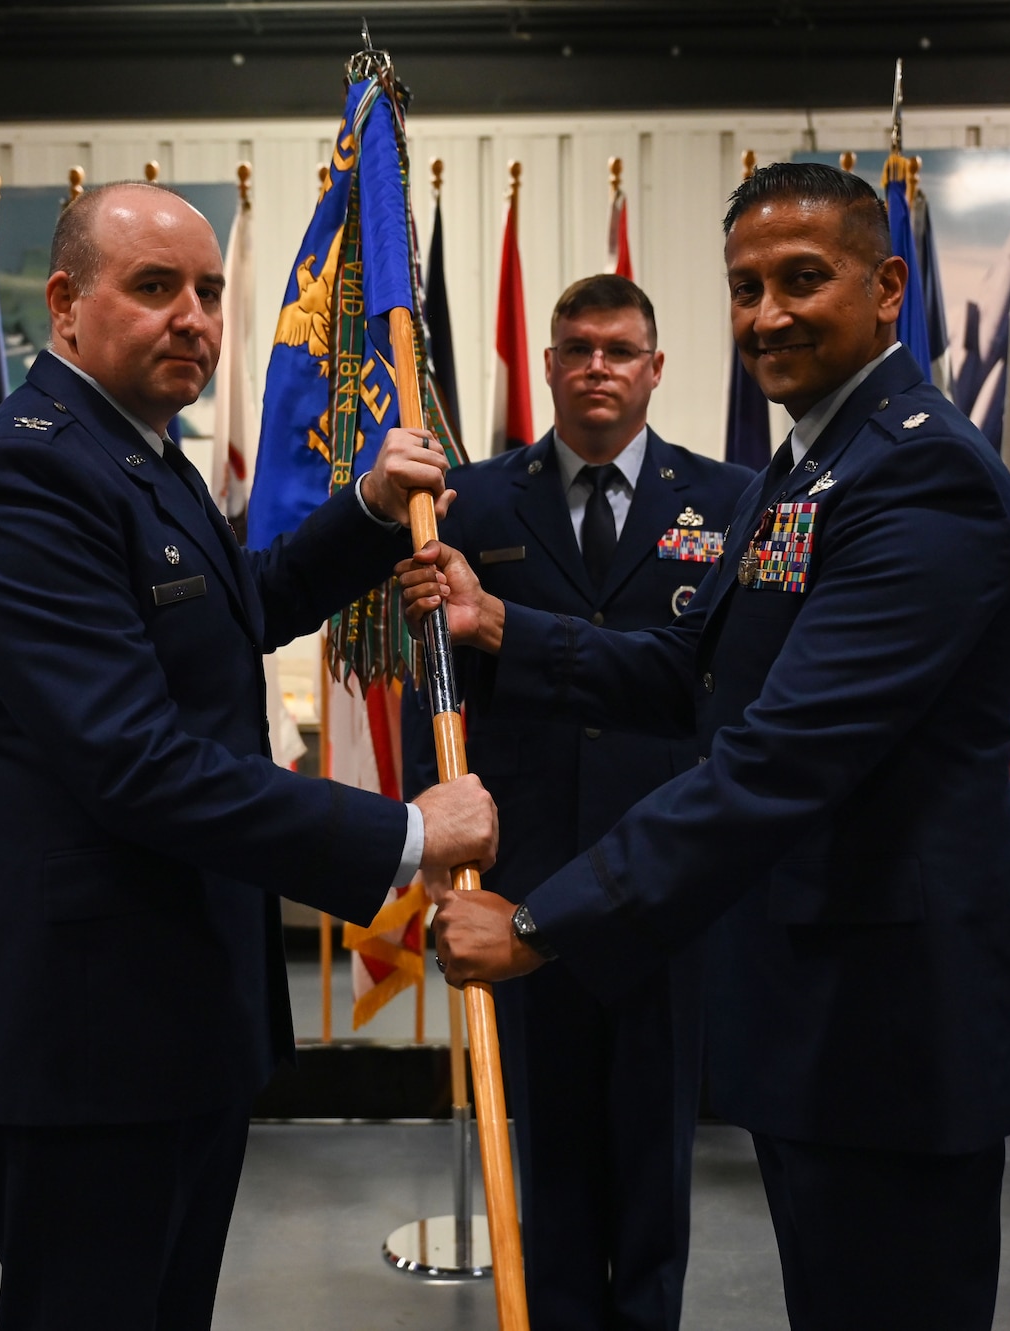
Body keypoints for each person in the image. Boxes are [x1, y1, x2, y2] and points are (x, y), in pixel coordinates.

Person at [405, 162, 1010, 1330]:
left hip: (897, 1020)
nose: (766, 314)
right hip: (818, 1003)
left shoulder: (916, 477)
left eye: (802, 279)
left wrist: (537, 922)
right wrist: (502, 623)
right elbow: (703, 673)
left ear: (887, 287)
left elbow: (777, 756)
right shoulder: (811, 460)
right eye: (746, 285)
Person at [0, 181, 498, 1331]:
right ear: (64, 305)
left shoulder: (136, 453)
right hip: (88, 1026)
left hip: (173, 1005)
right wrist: (405, 831)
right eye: (153, 287)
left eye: (208, 291)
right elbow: (132, 758)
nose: (193, 316)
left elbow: (232, 605)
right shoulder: (25, 476)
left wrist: (372, 511)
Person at [403, 274, 752, 1331]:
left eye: (618, 348)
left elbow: (708, 678)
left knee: (654, 1143)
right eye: (576, 348)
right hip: (528, 872)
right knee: (544, 1141)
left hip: (663, 871)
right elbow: (436, 687)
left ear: (654, 367)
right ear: (546, 365)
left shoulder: (728, 501)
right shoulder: (469, 499)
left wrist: (504, 624)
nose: (596, 366)